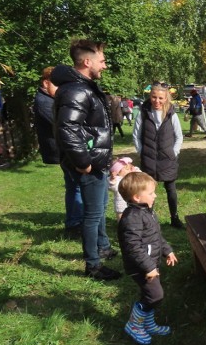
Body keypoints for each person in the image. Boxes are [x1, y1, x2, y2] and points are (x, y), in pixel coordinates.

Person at [52, 39, 121, 280]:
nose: (105, 65)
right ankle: (93, 265)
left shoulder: (84, 87)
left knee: (99, 209)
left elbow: (90, 128)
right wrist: (84, 162)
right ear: (87, 61)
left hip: (97, 161)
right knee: (92, 215)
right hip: (89, 164)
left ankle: (102, 248)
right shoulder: (77, 90)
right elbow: (67, 128)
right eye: (102, 61)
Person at [117, 171, 178, 345]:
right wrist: (149, 267)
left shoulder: (146, 212)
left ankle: (148, 324)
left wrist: (167, 250)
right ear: (137, 197)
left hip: (150, 263)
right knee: (155, 295)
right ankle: (134, 325)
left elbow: (155, 236)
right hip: (140, 266)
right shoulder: (132, 218)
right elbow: (133, 247)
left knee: (150, 294)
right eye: (151, 193)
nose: (155, 195)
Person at [33, 66, 83, 237]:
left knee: (73, 186)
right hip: (61, 150)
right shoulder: (44, 102)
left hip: (63, 149)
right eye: (58, 85)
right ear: (46, 83)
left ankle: (75, 220)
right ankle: (75, 224)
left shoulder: (49, 99)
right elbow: (62, 124)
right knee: (75, 186)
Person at [132, 81, 185, 228]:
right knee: (147, 190)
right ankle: (147, 219)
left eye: (161, 98)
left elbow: (179, 136)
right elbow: (136, 135)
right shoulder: (143, 113)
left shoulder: (171, 114)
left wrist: (174, 152)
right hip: (148, 158)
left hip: (167, 159)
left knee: (171, 189)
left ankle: (174, 218)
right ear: (150, 96)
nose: (157, 101)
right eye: (154, 97)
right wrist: (141, 152)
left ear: (166, 98)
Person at [108, 156, 139, 221]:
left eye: (130, 169)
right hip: (121, 205)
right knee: (121, 218)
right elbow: (112, 187)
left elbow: (141, 176)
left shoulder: (131, 177)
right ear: (118, 172)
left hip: (133, 203)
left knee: (133, 216)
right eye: (127, 169)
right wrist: (112, 180)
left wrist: (135, 169)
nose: (129, 171)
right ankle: (121, 227)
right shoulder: (117, 180)